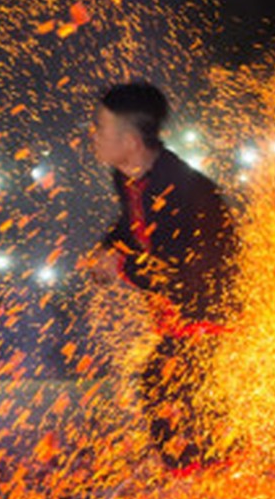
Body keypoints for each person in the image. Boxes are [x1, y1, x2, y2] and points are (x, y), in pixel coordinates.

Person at [85, 80, 238, 475]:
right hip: (180, 310)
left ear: (132, 141)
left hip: (214, 305)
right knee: (174, 387)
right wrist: (109, 247)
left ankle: (207, 473)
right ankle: (211, 468)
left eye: (101, 128)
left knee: (170, 384)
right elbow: (131, 225)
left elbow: (179, 267)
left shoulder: (180, 188)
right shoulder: (128, 176)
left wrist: (120, 266)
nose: (94, 136)